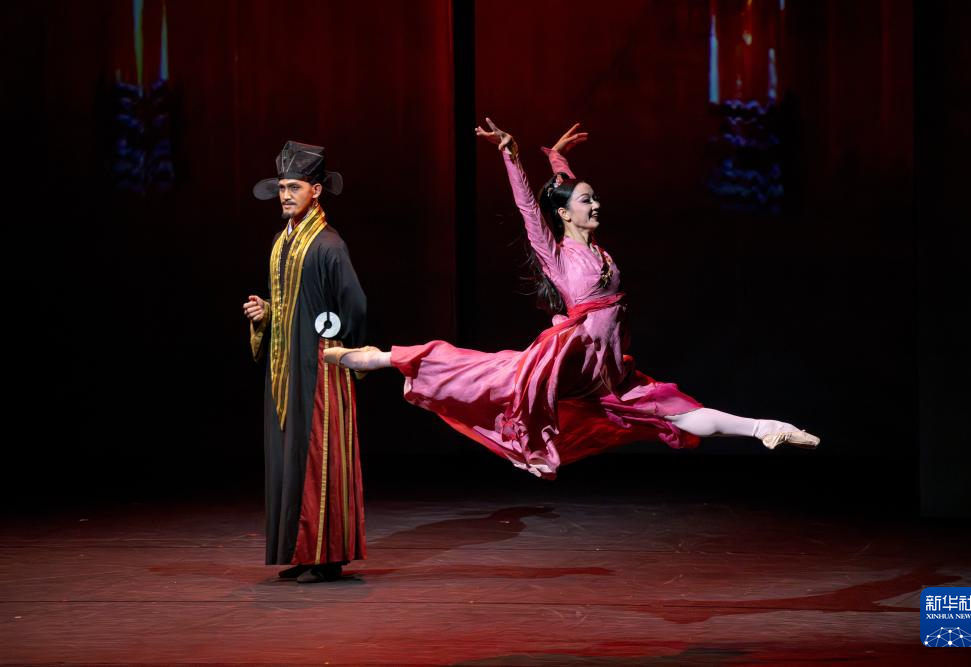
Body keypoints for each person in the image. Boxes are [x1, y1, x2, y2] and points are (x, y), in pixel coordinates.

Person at [324, 121, 817, 479]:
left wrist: (557, 159)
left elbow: (565, 191)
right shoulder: (556, 254)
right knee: (480, 371)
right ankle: (374, 358)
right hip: (573, 356)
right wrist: (511, 156)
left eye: (594, 198)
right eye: (587, 200)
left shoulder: (597, 248)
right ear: (564, 215)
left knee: (676, 409)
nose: (596, 204)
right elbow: (529, 207)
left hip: (608, 368)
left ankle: (765, 428)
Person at [243, 140, 367, 582]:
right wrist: (267, 313)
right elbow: (291, 304)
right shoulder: (283, 242)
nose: (285, 195)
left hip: (319, 365)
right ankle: (300, 551)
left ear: (315, 190)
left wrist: (345, 351)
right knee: (290, 454)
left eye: (293, 187)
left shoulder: (329, 244)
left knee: (318, 454)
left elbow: (355, 305)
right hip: (287, 366)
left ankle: (326, 557)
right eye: (281, 188)